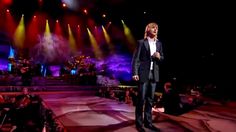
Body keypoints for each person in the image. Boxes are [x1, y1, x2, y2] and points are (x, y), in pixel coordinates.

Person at [132, 22, 164, 132]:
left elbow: (162, 58)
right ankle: (139, 124)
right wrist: (135, 72)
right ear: (147, 29)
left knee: (150, 100)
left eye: (156, 28)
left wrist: (159, 57)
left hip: (154, 74)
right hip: (143, 73)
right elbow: (136, 59)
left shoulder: (159, 44)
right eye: (153, 27)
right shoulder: (141, 42)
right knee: (141, 99)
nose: (155, 29)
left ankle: (148, 122)